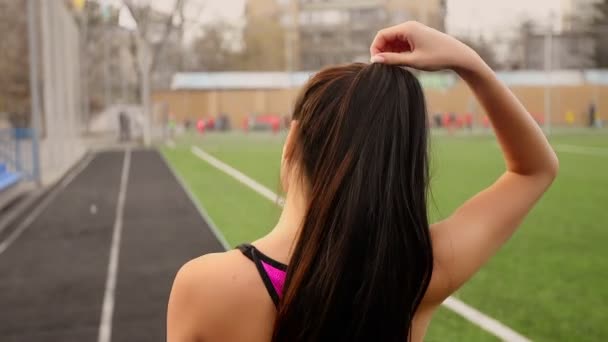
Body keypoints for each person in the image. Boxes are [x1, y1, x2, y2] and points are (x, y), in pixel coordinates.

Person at [167, 22, 558, 342]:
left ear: (292, 140)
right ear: (400, 163)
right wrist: (470, 64)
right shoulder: (419, 274)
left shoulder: (206, 288)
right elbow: (534, 169)